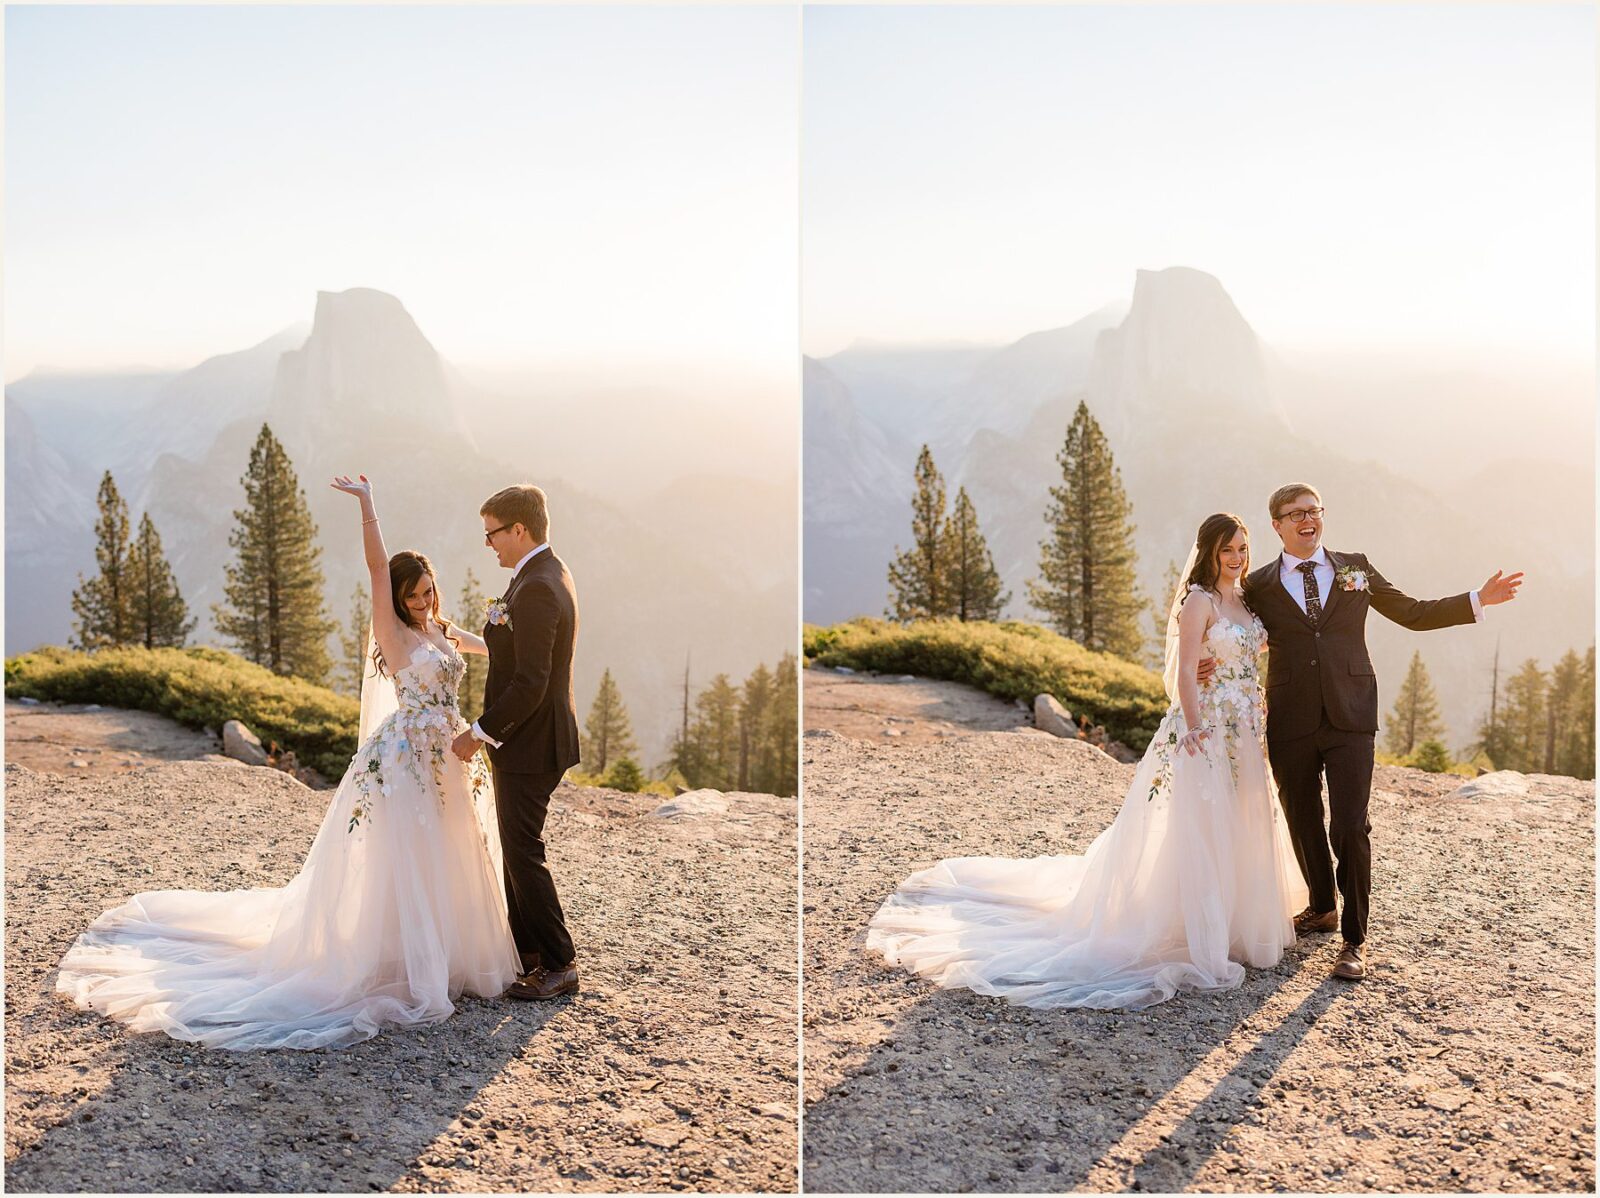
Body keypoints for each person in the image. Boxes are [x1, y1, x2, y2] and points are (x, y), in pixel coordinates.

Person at [55, 475, 519, 1049]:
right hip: (410, 758)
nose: (424, 601)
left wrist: (518, 629)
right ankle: (403, 961)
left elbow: (490, 645)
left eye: (429, 591)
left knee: (450, 850)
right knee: (410, 856)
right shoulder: (394, 632)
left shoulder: (439, 629)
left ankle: (450, 955)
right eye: (414, 594)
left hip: (451, 755)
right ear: (398, 597)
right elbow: (378, 569)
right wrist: (369, 507)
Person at [866, 513, 1308, 1010]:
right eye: (1228, 550)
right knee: (1205, 826)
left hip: (1246, 730)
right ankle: (1197, 927)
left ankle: (1239, 922)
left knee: (1242, 817)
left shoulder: (1245, 598)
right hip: (1207, 727)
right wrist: (1195, 726)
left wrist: (1241, 674)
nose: (1237, 558)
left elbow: (1251, 644)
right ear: (1208, 552)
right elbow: (1184, 672)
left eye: (1243, 549)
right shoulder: (1197, 603)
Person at [1231, 483, 1522, 981]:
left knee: (1349, 825)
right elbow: (1234, 632)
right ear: (1276, 524)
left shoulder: (1355, 568)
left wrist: (1477, 599)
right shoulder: (1257, 585)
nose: (1308, 519)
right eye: (1295, 513)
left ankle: (1353, 939)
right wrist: (1203, 663)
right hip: (1290, 717)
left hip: (1352, 714)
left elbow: (1411, 612)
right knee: (1301, 816)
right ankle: (1321, 906)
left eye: (1314, 510)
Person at [449, 483, 582, 1000]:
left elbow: (532, 679)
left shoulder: (541, 587)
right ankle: (526, 950)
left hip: (533, 742)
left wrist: (479, 733)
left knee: (524, 850)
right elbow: (520, 647)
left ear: (519, 530)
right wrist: (471, 640)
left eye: (493, 533)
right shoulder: (541, 574)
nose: (489, 544)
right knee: (513, 845)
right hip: (527, 740)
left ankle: (559, 962)